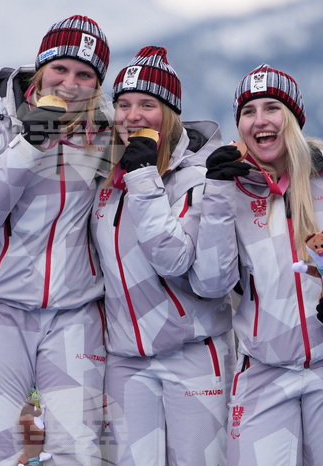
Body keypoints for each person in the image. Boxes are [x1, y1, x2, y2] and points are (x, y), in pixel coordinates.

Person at [199, 64, 323, 465]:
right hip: (264, 370)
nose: (260, 120)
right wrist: (213, 194)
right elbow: (212, 283)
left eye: (272, 108)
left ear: (294, 119)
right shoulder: (229, 190)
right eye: (248, 112)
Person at [0, 15, 113, 465]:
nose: (70, 83)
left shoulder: (104, 132)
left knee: (77, 452)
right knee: (4, 452)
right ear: (40, 69)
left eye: (85, 75)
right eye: (60, 69)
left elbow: (165, 158)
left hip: (73, 311)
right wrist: (26, 147)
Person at [91, 46, 234, 466]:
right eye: (123, 104)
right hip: (125, 359)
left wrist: (143, 178)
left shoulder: (199, 178)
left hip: (192, 352)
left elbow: (173, 260)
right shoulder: (104, 179)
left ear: (169, 114)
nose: (132, 116)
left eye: (147, 105)